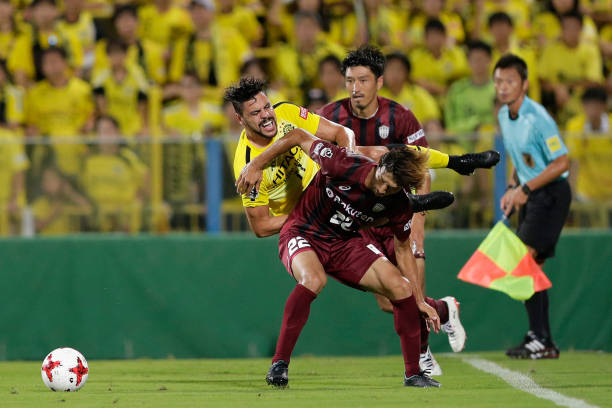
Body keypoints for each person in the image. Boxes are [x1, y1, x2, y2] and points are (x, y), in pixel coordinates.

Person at [317, 45, 493, 374]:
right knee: (390, 300)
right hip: (361, 221)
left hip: (400, 215)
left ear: (379, 82)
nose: (355, 88)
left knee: (414, 289)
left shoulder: (401, 116)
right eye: (349, 81)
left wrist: (418, 220)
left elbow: (421, 169)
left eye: (363, 80)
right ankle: (444, 310)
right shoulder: (329, 117)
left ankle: (422, 354)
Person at [237, 127, 453, 388]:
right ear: (380, 164)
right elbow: (297, 136)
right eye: (383, 180)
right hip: (304, 231)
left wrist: (419, 299)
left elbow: (404, 249)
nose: (383, 189)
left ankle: (413, 374)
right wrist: (256, 164)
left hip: (345, 244)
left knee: (401, 287)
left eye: (392, 188)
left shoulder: (398, 203)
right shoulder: (341, 161)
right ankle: (279, 364)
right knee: (313, 280)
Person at [495, 54, 571, 359]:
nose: (503, 87)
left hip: (550, 194)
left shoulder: (538, 117)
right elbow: (518, 156)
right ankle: (540, 338)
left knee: (524, 262)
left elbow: (562, 162)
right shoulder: (503, 115)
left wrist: (525, 188)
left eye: (510, 81)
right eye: (499, 81)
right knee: (530, 267)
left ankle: (541, 337)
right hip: (529, 192)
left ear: (525, 84)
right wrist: (514, 186)